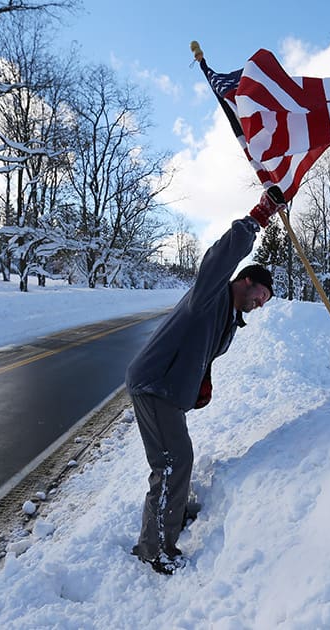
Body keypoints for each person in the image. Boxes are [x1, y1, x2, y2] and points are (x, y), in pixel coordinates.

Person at [124, 186, 286, 575]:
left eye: (264, 301)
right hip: (155, 384)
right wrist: (258, 217)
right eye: (260, 294)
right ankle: (154, 548)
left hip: (169, 390)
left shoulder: (229, 317)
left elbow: (203, 351)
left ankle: (172, 516)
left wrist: (201, 383)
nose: (260, 303)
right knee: (173, 461)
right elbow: (220, 257)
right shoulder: (212, 293)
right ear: (245, 281)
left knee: (177, 458)